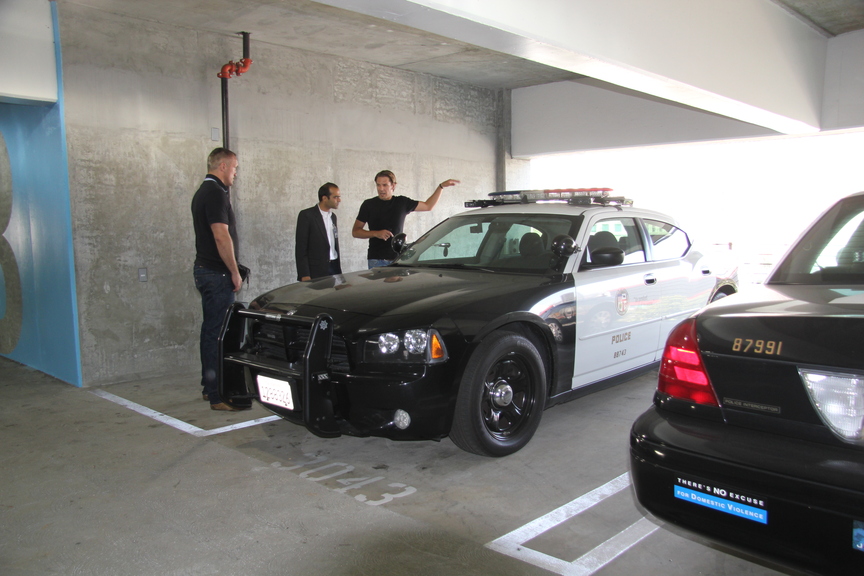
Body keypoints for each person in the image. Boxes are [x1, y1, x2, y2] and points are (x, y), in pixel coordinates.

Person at [191, 147, 244, 411]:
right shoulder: (214, 193)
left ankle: (208, 386)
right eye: (234, 168)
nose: (236, 173)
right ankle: (217, 395)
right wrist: (234, 271)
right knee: (217, 334)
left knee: (210, 330)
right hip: (216, 273)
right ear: (223, 166)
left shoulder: (205, 191)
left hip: (207, 270)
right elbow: (221, 236)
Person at [352, 170, 460, 268]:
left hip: (398, 259)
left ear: (393, 185)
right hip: (376, 260)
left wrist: (440, 187)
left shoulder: (402, 202)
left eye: (385, 185)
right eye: (378, 185)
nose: (381, 189)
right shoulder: (368, 204)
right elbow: (356, 231)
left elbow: (428, 206)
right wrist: (375, 233)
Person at [295, 183, 342, 281]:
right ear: (324, 198)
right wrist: (304, 274)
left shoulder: (333, 217)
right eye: (335, 197)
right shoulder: (307, 215)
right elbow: (301, 248)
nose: (339, 200)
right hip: (315, 271)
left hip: (334, 267)